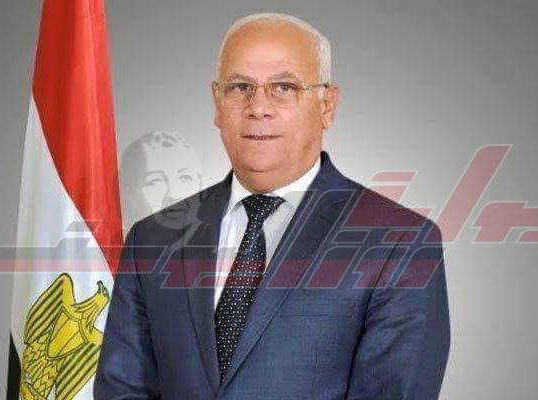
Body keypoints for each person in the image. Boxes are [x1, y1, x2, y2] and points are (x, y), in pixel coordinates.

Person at [95, 12, 450, 400]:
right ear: (217, 102)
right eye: (240, 87)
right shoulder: (153, 237)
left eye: (283, 87)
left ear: (327, 105)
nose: (258, 107)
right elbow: (122, 390)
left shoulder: (399, 243)